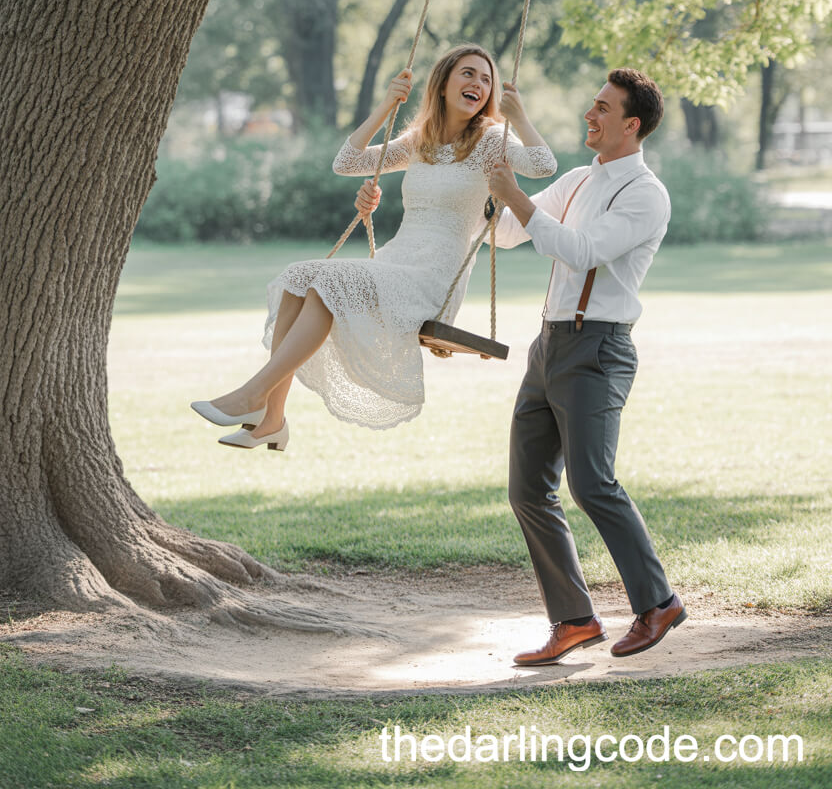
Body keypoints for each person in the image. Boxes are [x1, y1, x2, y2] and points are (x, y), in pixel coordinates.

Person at [191, 44, 555, 449]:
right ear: (444, 83)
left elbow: (543, 165)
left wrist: (518, 117)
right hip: (396, 260)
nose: (479, 84)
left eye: (486, 79)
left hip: (434, 278)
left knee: (330, 282)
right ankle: (271, 419)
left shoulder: (490, 141)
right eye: (468, 73)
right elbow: (346, 163)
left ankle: (252, 395)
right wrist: (386, 103)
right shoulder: (420, 142)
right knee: (298, 278)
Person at [485, 68, 686, 662]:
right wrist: (473, 195)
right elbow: (505, 233)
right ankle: (573, 620)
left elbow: (581, 249)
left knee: (592, 483)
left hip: (598, 348)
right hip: (547, 345)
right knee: (528, 491)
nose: (588, 115)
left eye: (601, 108)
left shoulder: (645, 193)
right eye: (590, 105)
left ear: (632, 124)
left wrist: (515, 192)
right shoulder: (575, 179)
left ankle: (659, 604)